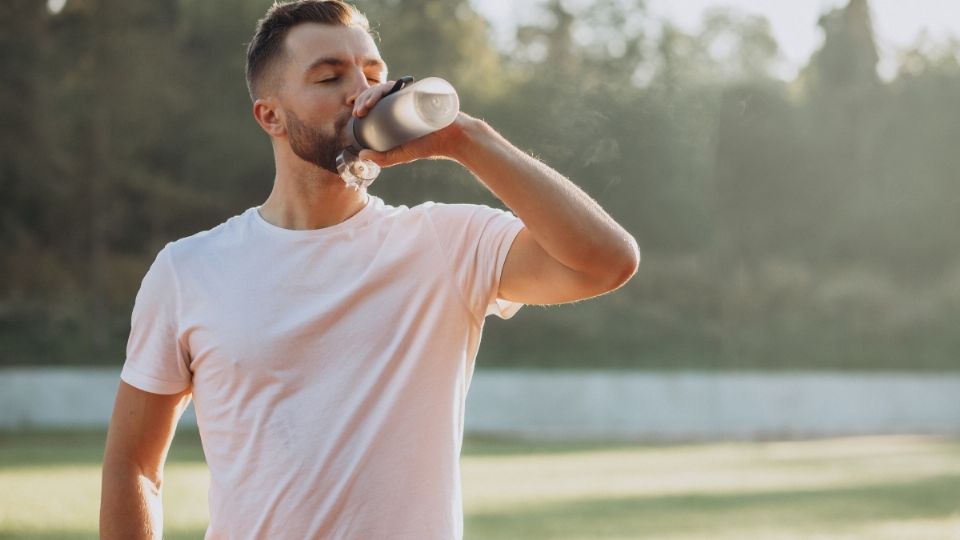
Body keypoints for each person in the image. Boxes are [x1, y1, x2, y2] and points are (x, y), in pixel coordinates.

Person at [99, 1, 639, 538]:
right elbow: (134, 469)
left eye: (374, 73)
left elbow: (607, 262)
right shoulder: (187, 270)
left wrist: (464, 138)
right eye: (331, 76)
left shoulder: (445, 243)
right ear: (271, 115)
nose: (362, 91)